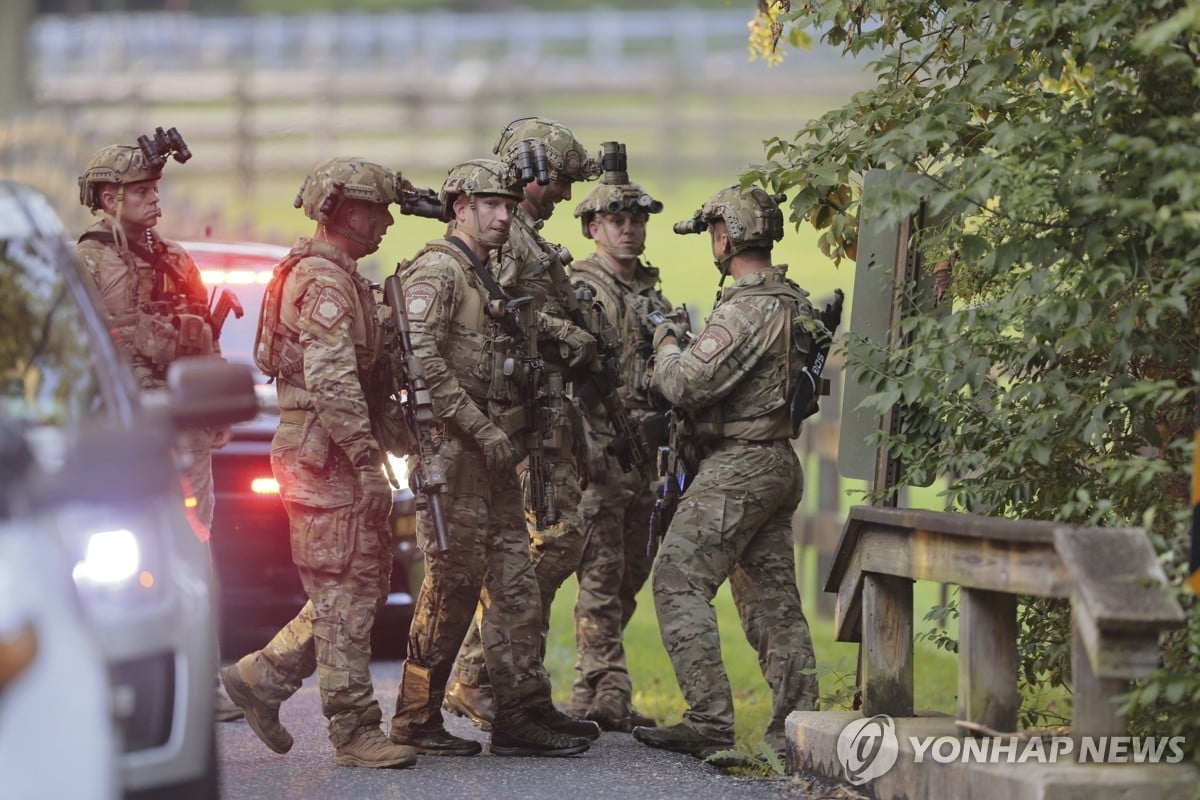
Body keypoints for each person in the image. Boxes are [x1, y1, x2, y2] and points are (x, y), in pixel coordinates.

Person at [387, 158, 595, 757]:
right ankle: (415, 717)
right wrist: (481, 428)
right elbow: (421, 358)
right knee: (452, 587)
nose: (505, 215)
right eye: (491, 205)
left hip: (497, 458)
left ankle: (520, 714)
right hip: (455, 457)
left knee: (516, 585)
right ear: (460, 209)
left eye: (509, 205)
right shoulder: (439, 270)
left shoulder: (483, 275)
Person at [218, 157, 417, 769]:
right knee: (344, 593)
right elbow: (333, 383)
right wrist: (364, 462)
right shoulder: (324, 283)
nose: (385, 220)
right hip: (325, 457)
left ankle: (262, 676)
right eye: (374, 208)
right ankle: (353, 729)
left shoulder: (345, 277)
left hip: (334, 453)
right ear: (340, 210)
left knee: (356, 584)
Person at [632, 185, 820, 760]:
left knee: (677, 577)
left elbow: (686, 383)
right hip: (777, 461)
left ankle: (709, 719)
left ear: (725, 237)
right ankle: (798, 732)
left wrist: (665, 344)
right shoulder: (795, 299)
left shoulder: (747, 307)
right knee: (772, 601)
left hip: (740, 464)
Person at [75, 132, 243, 723]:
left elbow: (207, 337)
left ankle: (205, 684)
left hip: (183, 429)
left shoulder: (174, 258)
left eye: (154, 190)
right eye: (140, 192)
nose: (154, 201)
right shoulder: (84, 264)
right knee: (115, 554)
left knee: (194, 548)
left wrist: (217, 408)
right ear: (106, 198)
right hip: (115, 435)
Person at [443, 117, 602, 729]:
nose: (564, 193)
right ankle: (482, 675)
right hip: (519, 414)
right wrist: (570, 334)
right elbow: (501, 316)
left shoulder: (528, 234)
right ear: (531, 172)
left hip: (545, 408)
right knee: (548, 543)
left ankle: (512, 686)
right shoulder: (509, 239)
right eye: (558, 180)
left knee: (551, 543)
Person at [565, 150, 672, 731]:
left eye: (636, 219)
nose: (628, 229)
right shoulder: (580, 289)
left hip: (647, 456)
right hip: (599, 451)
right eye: (616, 220)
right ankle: (609, 689)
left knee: (631, 573)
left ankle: (589, 693)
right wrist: (586, 448)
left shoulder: (651, 292)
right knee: (601, 575)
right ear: (593, 227)